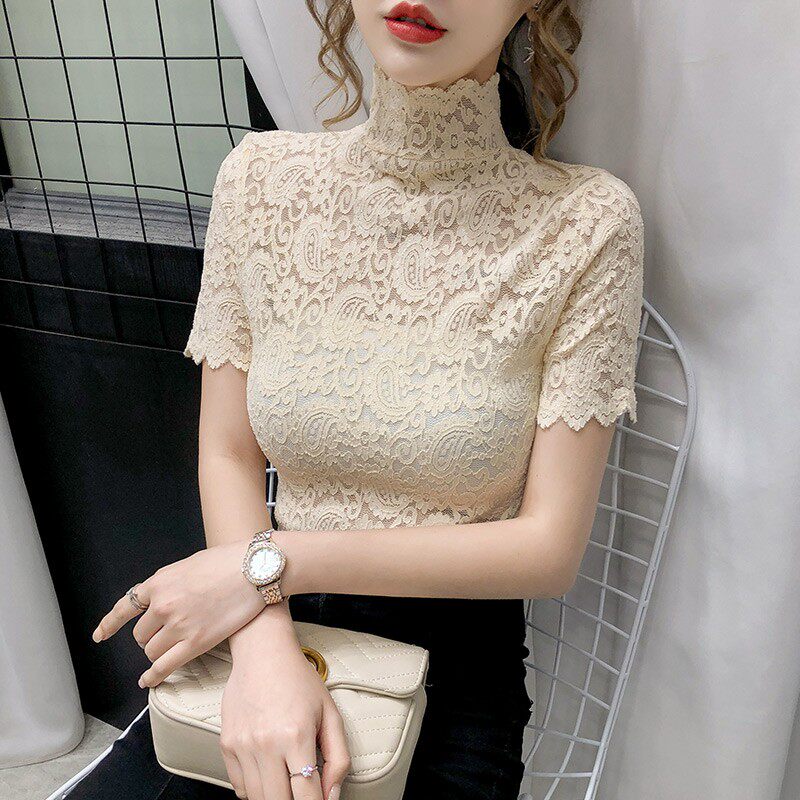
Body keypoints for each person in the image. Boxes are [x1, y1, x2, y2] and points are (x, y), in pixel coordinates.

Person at [70, 1, 644, 799]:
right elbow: (229, 452)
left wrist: (266, 569)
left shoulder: (584, 223)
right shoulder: (261, 183)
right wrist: (265, 649)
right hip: (258, 636)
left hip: (447, 686)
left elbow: (548, 550)